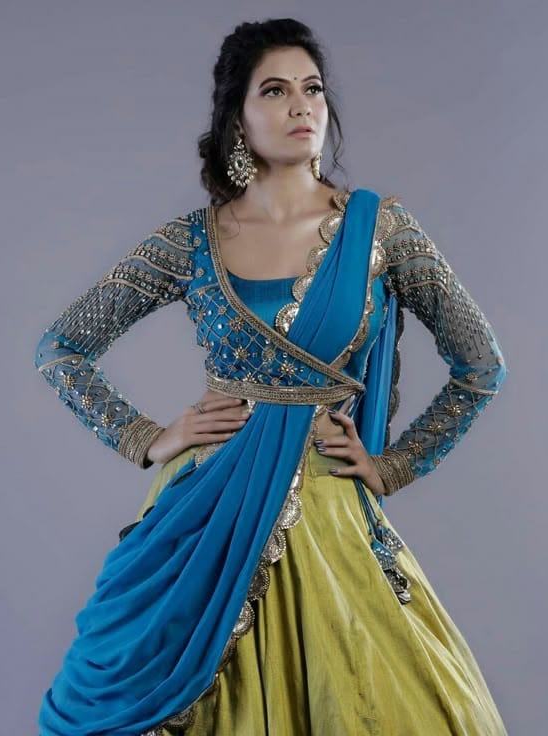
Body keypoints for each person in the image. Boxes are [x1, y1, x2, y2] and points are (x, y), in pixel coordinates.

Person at [33, 17, 509, 736]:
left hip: (329, 510)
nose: (301, 106)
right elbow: (62, 347)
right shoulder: (190, 241)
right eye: (276, 91)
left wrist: (395, 465)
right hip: (208, 512)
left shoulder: (381, 231)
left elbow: (481, 365)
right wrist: (147, 436)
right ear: (238, 119)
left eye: (312, 89)